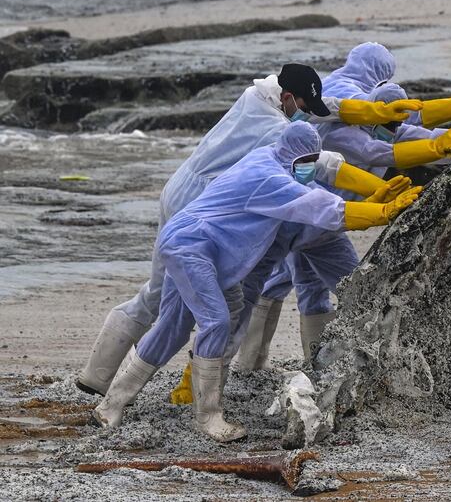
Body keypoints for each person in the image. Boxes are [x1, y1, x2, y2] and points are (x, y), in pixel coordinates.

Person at [77, 63, 423, 397]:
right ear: (287, 97)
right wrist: (376, 198)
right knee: (197, 303)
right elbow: (323, 167)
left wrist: (374, 114)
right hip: (199, 206)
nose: (307, 113)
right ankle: (184, 386)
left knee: (159, 293)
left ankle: (98, 377)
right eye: (303, 105)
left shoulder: (255, 96)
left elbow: (327, 109)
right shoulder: (273, 131)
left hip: (182, 188)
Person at [92, 122, 422, 442]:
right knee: (217, 321)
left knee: (173, 327)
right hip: (192, 246)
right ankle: (208, 416)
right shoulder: (269, 179)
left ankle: (111, 405)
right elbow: (318, 205)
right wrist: (382, 212)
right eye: (305, 162)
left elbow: (318, 180)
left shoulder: (269, 155)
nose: (309, 168)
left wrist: (373, 197)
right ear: (294, 157)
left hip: (183, 238)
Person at [233, 43, 451, 371]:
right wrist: (441, 139)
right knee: (353, 290)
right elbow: (377, 147)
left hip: (309, 215)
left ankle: (269, 368)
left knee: (291, 284)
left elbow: (400, 124)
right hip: (316, 214)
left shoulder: (359, 91)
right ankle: (322, 367)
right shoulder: (350, 101)